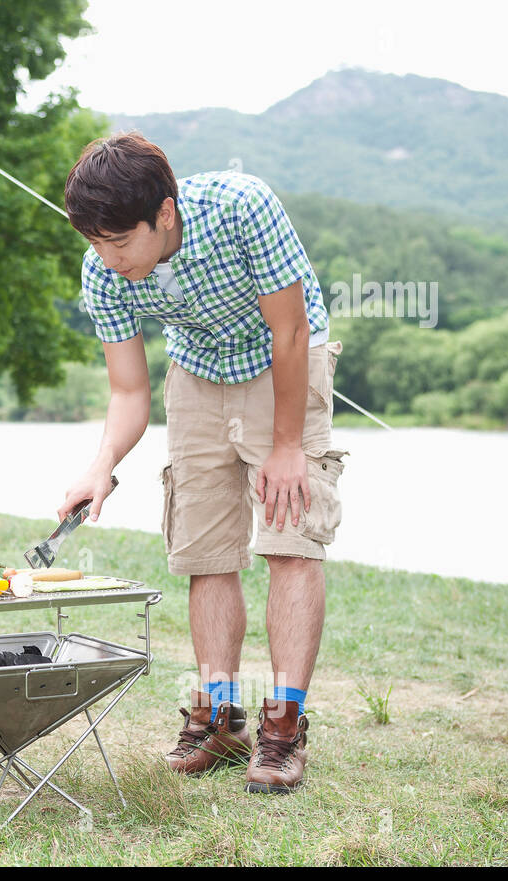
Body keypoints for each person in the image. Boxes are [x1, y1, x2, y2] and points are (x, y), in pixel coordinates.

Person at [58, 133, 347, 795]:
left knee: (290, 539)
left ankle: (283, 727)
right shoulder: (103, 268)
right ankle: (220, 717)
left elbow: (291, 332)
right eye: (94, 243)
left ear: (165, 213)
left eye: (119, 242)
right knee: (204, 550)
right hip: (197, 374)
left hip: (286, 362)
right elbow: (129, 390)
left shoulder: (242, 207)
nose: (107, 258)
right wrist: (100, 465)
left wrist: (285, 448)